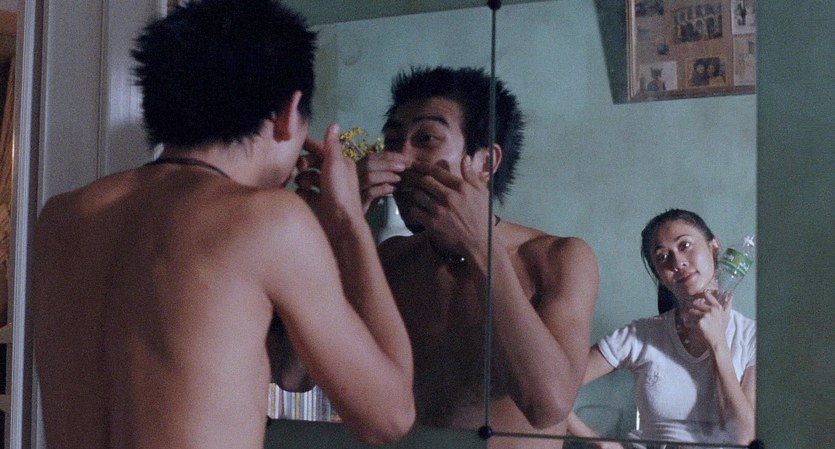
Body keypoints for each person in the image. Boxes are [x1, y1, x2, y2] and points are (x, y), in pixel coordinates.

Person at [31, 1, 415, 448]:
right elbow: (389, 417)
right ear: (288, 112)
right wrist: (348, 219)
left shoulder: (63, 217)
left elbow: (257, 367)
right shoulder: (267, 220)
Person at [354, 66, 599, 448]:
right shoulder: (393, 260)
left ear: (485, 163)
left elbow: (548, 406)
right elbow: (293, 374)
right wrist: (342, 218)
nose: (401, 159)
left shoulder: (558, 258)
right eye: (393, 141)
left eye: (426, 139)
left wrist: (480, 247)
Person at [566, 209, 756, 449]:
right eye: (663, 257)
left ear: (714, 246)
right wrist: (598, 443)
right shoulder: (642, 334)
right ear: (660, 276)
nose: (678, 262)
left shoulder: (751, 337)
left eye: (685, 245)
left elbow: (743, 438)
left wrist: (718, 343)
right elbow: (554, 387)